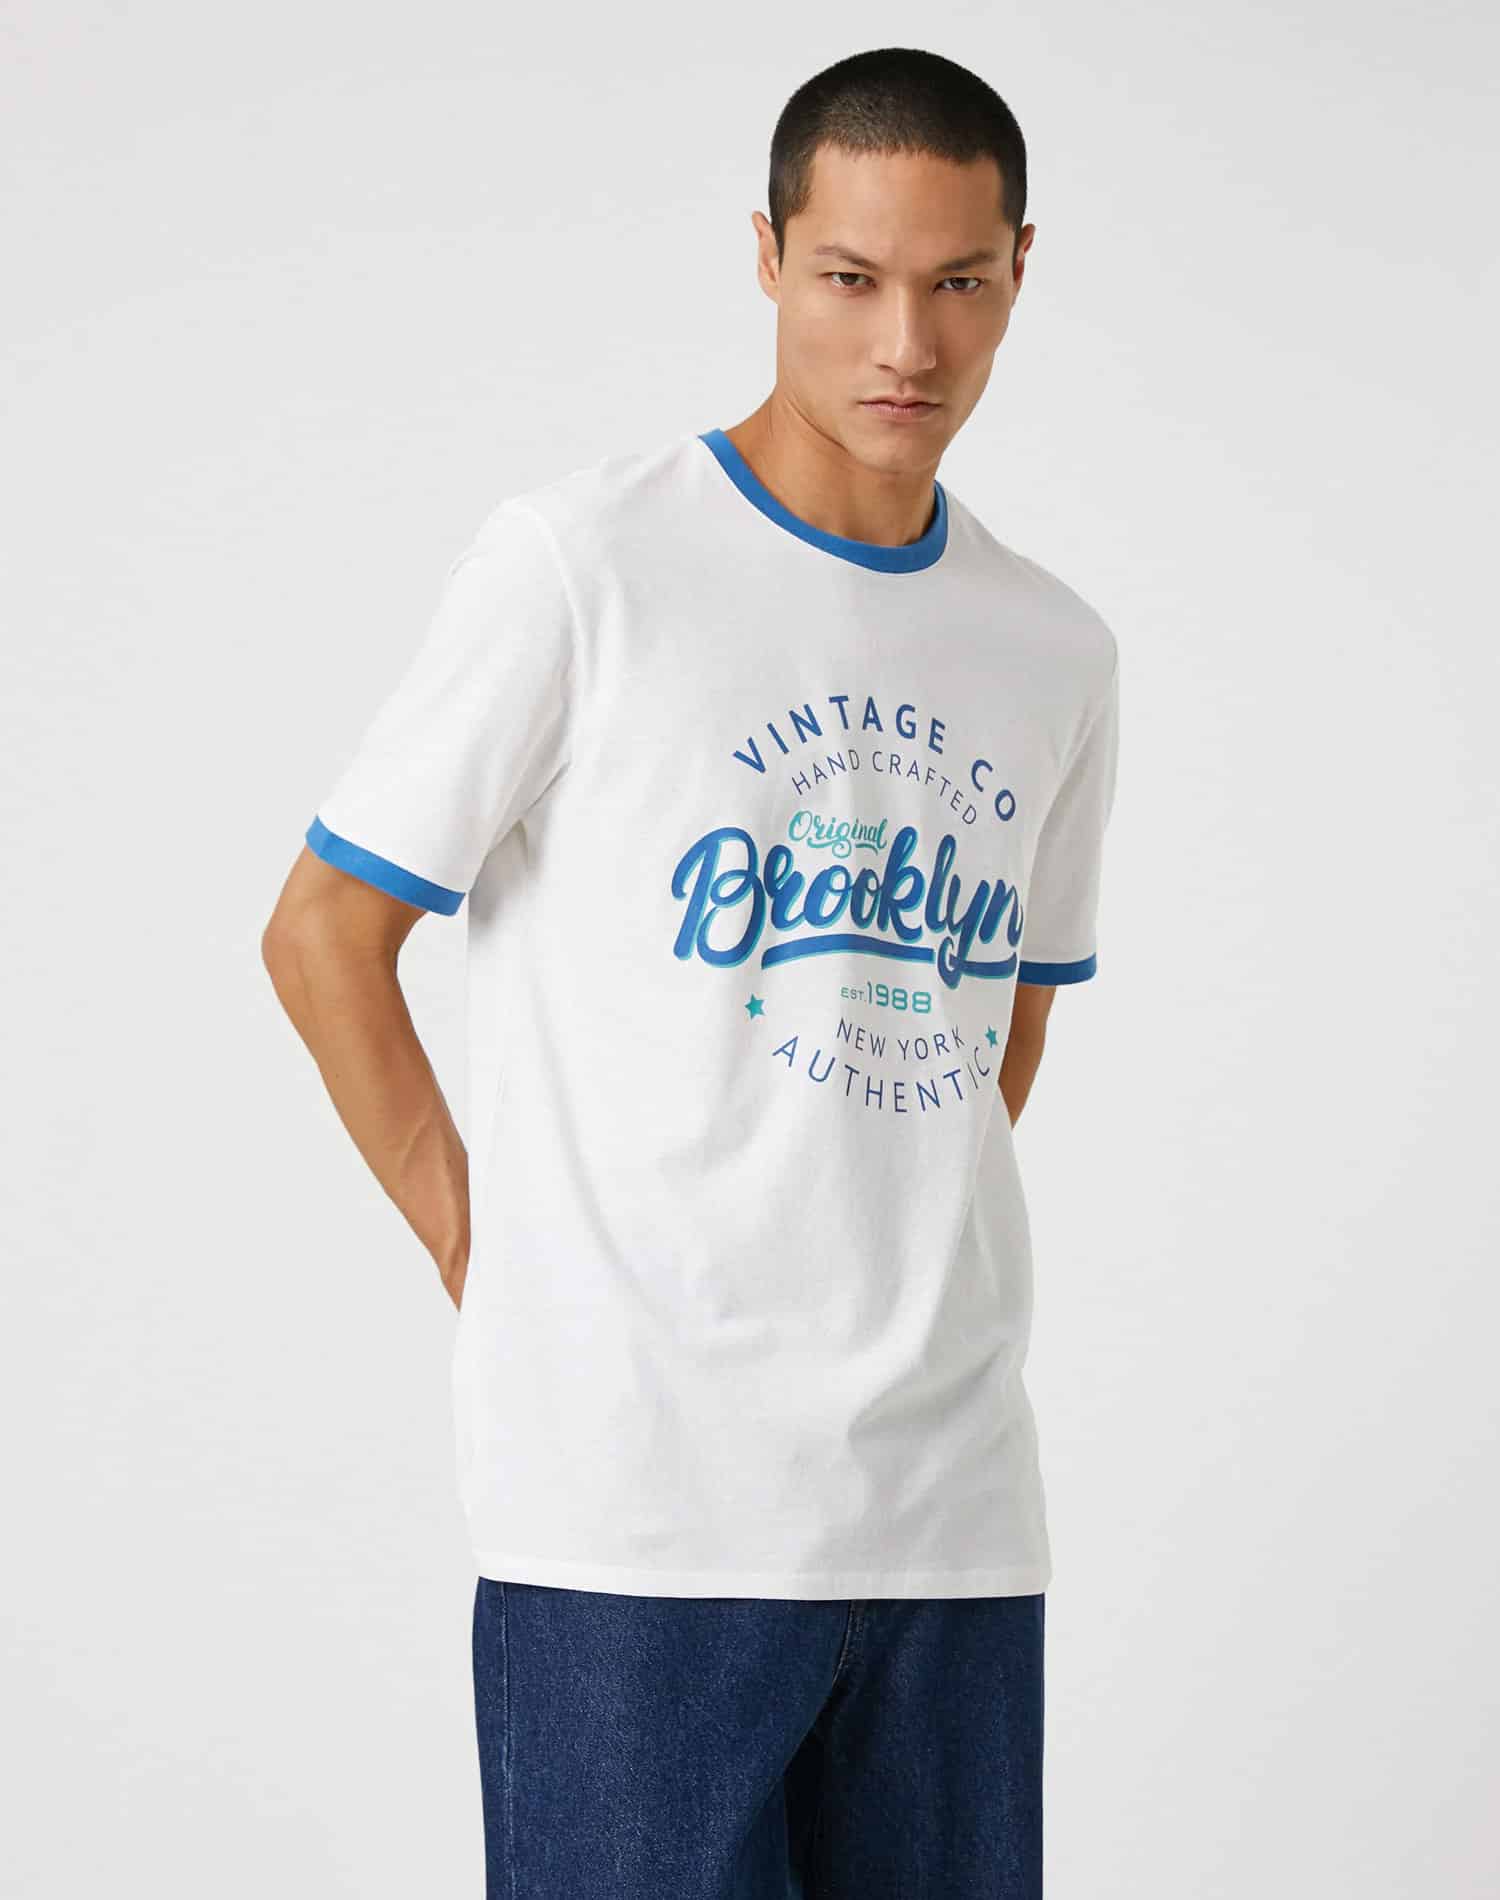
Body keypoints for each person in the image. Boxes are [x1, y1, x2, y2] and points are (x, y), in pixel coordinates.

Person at [262, 43, 1120, 1900]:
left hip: (952, 1523)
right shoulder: (588, 565)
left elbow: (1000, 1031)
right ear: (768, 254)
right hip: (636, 1520)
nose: (907, 342)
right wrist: (480, 1242)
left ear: (1020, 274)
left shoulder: (1052, 648)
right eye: (852, 277)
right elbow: (324, 932)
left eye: (958, 283)